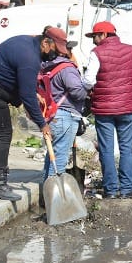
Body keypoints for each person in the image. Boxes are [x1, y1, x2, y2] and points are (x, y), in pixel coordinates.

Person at [0, 27, 66, 201]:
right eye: (54, 50)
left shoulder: (25, 41)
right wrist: (42, 123)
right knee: (2, 133)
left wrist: (30, 97)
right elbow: (26, 95)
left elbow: (21, 83)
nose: (54, 55)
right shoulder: (30, 58)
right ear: (45, 42)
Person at [82, 21, 132, 198]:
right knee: (126, 148)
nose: (94, 41)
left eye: (94, 37)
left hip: (104, 110)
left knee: (106, 149)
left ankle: (111, 190)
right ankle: (127, 189)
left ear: (103, 35)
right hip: (126, 108)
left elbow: (88, 81)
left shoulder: (97, 53)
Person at [38, 47, 87, 182]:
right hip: (65, 115)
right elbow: (77, 92)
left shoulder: (47, 67)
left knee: (52, 154)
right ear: (67, 53)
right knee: (60, 156)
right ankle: (55, 194)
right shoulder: (67, 69)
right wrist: (87, 90)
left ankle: (45, 194)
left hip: (52, 115)